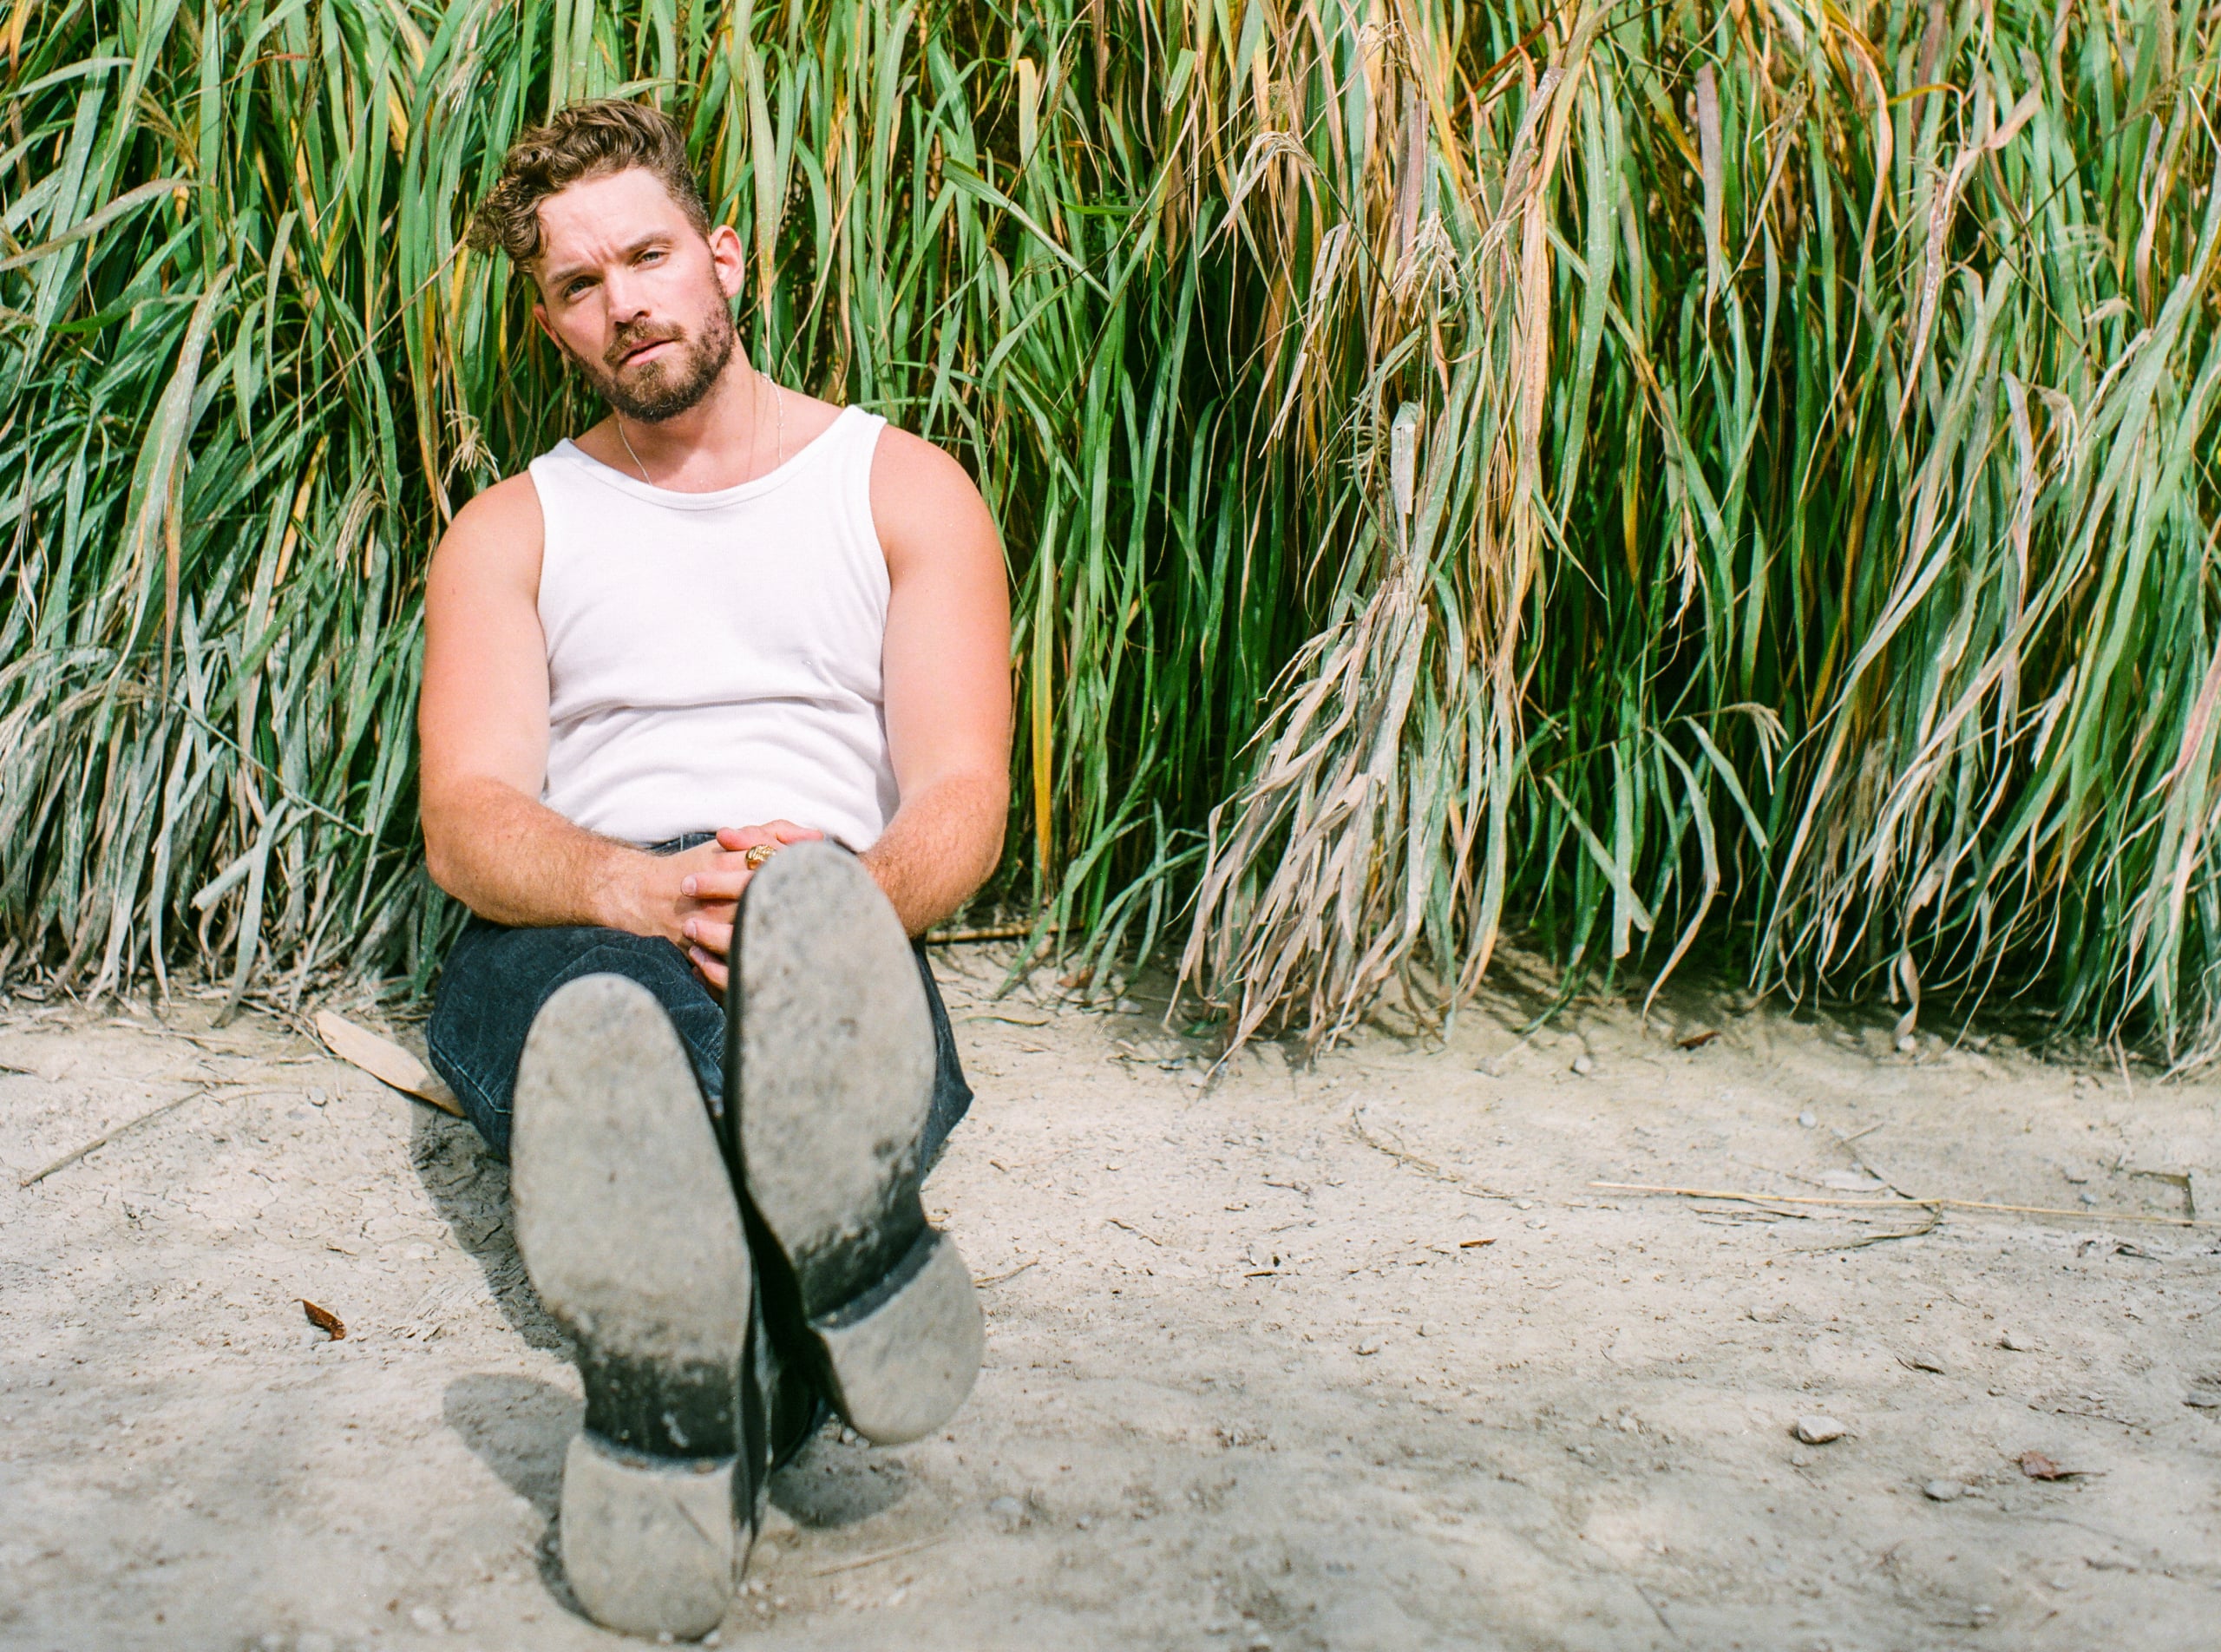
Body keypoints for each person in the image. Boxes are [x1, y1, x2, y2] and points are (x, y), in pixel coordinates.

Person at [415, 99, 1012, 1639]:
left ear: (721, 256)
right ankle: (838, 1269)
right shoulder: (511, 531)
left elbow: (964, 794)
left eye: (648, 256)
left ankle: (689, 1393)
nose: (622, 302)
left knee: (816, 1024)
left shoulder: (900, 487)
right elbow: (467, 820)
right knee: (613, 1036)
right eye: (577, 284)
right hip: (576, 922)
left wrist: (843, 910)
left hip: (830, 919)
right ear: (551, 322)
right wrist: (635, 886)